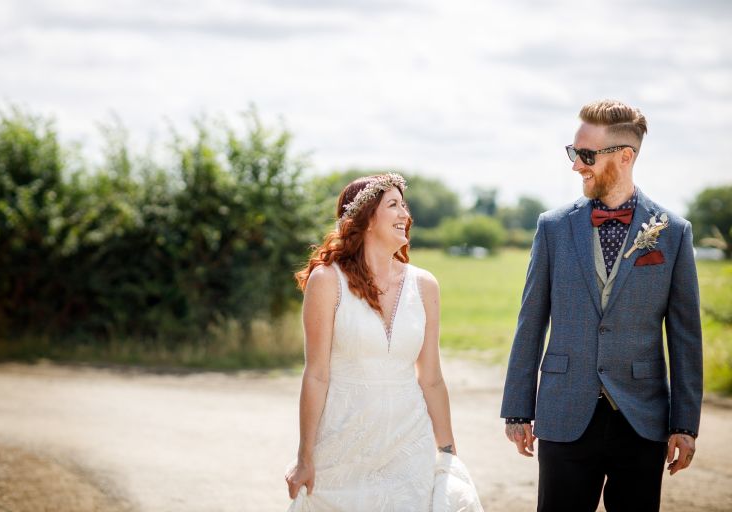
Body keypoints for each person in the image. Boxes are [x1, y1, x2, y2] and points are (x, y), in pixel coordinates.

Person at [501, 99, 703, 512]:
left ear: (625, 156)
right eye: (574, 153)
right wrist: (518, 410)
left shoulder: (673, 233)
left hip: (641, 419)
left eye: (586, 155)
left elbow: (685, 336)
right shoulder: (553, 227)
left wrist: (684, 424)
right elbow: (531, 321)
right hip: (564, 411)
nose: (577, 165)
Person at [285, 173, 482, 511]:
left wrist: (448, 451)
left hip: (409, 442)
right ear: (366, 220)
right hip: (343, 445)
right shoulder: (327, 281)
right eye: (393, 205)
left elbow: (431, 377)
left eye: (405, 205)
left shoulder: (424, 285)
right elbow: (316, 374)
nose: (405, 214)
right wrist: (304, 456)